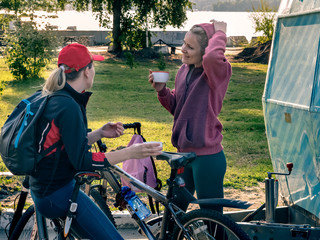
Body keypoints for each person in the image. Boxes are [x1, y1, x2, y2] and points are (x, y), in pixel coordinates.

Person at [30, 43, 162, 240]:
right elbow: (82, 160)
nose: (94, 72)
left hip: (44, 189)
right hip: (57, 194)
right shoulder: (69, 106)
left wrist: (99, 133)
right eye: (93, 66)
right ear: (86, 72)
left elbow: (64, 146)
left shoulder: (59, 97)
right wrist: (132, 152)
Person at [149, 20, 231, 213]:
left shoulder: (218, 72)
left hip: (208, 158)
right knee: (173, 215)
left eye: (190, 47)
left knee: (213, 221)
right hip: (183, 155)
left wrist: (220, 33)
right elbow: (178, 109)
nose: (183, 49)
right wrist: (162, 91)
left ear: (205, 51)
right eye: (184, 43)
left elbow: (212, 57)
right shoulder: (183, 71)